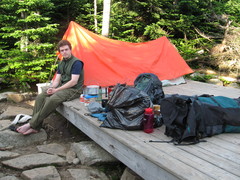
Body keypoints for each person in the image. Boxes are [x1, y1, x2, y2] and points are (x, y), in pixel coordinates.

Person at [17, 40, 84, 135]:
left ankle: (31, 124)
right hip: (62, 87)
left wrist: (56, 90)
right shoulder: (61, 63)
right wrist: (51, 87)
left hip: (74, 90)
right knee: (41, 97)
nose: (64, 52)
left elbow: (73, 81)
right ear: (60, 52)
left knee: (52, 99)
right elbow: (57, 80)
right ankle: (36, 127)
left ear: (70, 50)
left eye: (66, 49)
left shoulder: (76, 63)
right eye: (62, 50)